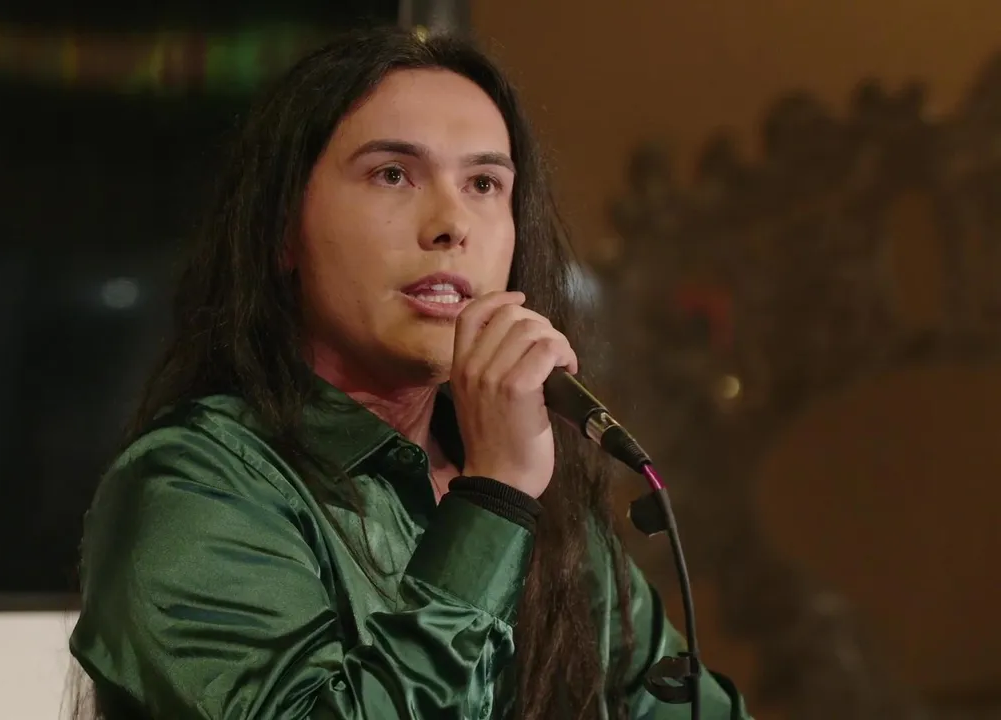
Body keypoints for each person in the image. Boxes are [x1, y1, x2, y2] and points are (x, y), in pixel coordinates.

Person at [68, 26, 753, 720]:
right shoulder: (191, 485)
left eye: (484, 183)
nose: (452, 223)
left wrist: (503, 488)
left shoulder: (541, 501)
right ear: (282, 230)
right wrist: (494, 499)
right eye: (392, 174)